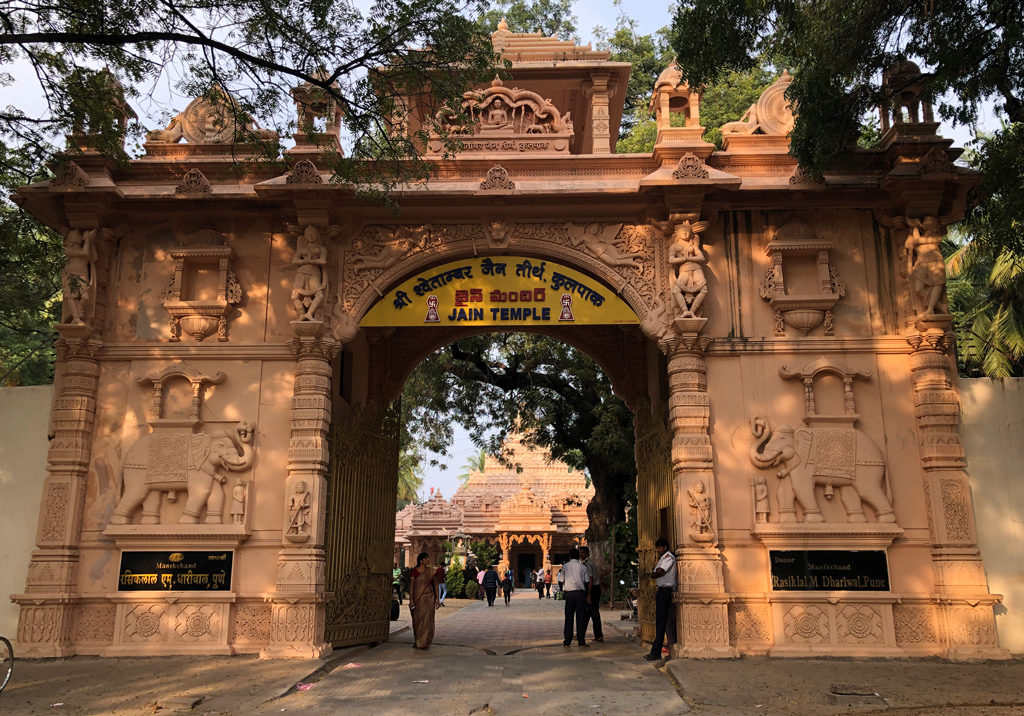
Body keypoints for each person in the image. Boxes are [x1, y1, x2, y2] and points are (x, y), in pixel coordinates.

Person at [645, 537, 677, 661]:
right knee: (662, 622)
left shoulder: (668, 558)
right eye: (656, 548)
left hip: (666, 591)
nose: (657, 550)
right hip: (662, 590)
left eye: (659, 548)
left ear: (664, 547)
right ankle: (658, 650)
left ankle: (656, 652)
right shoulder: (663, 558)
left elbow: (659, 572)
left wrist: (655, 574)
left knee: (661, 622)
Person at [409, 552, 440, 650]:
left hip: (429, 597)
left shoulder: (431, 571)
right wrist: (411, 599)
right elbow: (412, 586)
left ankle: (426, 642)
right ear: (420, 560)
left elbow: (436, 585)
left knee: (429, 620)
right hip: (419, 598)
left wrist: (438, 599)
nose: (428, 560)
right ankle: (419, 641)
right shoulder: (415, 571)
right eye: (426, 559)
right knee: (418, 619)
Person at [561, 547, 590, 648]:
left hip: (569, 594)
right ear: (578, 556)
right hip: (580, 594)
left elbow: (561, 579)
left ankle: (567, 641)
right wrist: (586, 594)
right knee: (580, 617)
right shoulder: (583, 567)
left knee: (569, 618)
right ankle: (581, 641)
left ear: (569, 556)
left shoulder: (565, 566)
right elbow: (587, 581)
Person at [580, 546, 604, 642]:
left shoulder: (588, 564)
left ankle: (598, 635)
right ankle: (581, 634)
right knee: (587, 613)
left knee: (593, 612)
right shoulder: (587, 563)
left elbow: (590, 579)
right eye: (580, 552)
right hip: (594, 589)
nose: (580, 554)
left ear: (586, 553)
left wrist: (589, 594)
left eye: (582, 552)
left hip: (592, 589)